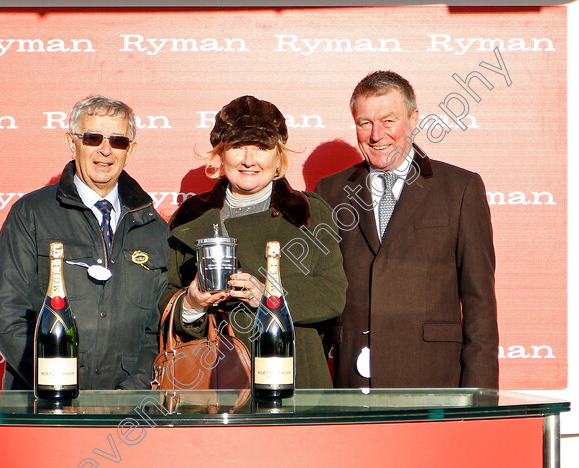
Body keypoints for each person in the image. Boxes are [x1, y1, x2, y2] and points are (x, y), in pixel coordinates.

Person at [315, 71, 499, 388]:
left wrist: (479, 396)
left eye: (388, 121)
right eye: (364, 123)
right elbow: (320, 293)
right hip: (353, 384)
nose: (376, 135)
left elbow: (479, 302)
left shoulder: (460, 188)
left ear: (414, 119)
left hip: (433, 379)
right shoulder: (329, 192)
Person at [164, 95, 347, 388]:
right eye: (237, 147)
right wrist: (191, 304)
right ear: (220, 154)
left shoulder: (309, 213)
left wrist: (270, 295)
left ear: (278, 156)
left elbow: (333, 293)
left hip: (294, 377)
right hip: (212, 382)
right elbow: (165, 297)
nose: (249, 160)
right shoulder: (189, 218)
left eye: (261, 148)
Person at [0, 95, 169, 390]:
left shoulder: (153, 227)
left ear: (130, 150)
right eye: (93, 138)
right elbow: (8, 317)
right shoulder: (30, 214)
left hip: (123, 410)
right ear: (72, 143)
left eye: (118, 141)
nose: (105, 151)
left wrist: (130, 393)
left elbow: (156, 328)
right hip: (45, 406)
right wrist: (55, 384)